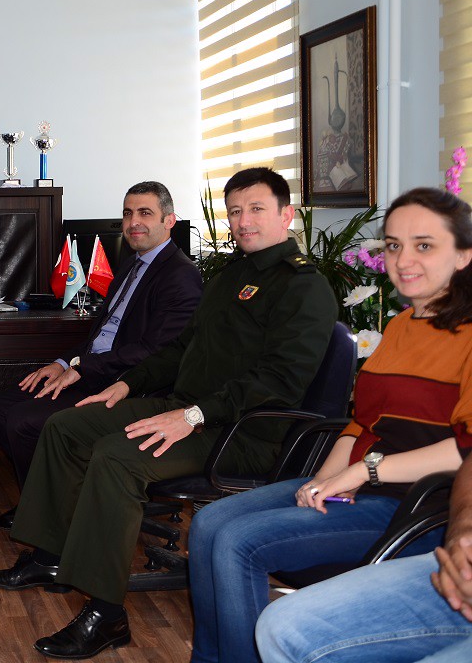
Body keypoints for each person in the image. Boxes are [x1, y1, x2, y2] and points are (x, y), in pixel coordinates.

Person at [0, 167, 337, 661]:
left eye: (256, 209)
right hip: (186, 409)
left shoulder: (304, 287)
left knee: (117, 457)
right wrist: (127, 384)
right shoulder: (230, 277)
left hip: (240, 432)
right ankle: (49, 555)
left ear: (286, 215)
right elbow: (181, 349)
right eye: (235, 211)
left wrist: (191, 416)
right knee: (66, 426)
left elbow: (278, 382)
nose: (243, 221)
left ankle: (106, 613)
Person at [188, 186, 472, 663]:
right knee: (207, 523)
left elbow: (465, 449)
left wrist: (363, 471)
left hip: (411, 505)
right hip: (358, 485)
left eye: (424, 245)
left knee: (237, 542)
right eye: (394, 245)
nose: (404, 260)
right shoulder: (402, 325)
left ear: (463, 255)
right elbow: (361, 422)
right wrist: (323, 479)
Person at [0, 181, 202, 529]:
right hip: (95, 371)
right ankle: (56, 498)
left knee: (24, 421)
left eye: (145, 213)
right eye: (128, 213)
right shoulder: (130, 265)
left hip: (127, 384)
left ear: (169, 220)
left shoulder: (180, 276)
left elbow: (155, 352)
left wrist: (82, 367)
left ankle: (49, 515)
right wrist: (63, 363)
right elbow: (99, 336)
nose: (134, 222)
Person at [255, 450, 472, 663]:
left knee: (243, 541)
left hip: (402, 500)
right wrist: (461, 533)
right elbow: (355, 432)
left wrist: (364, 470)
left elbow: (459, 449)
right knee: (282, 628)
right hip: (364, 488)